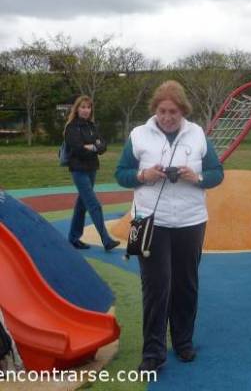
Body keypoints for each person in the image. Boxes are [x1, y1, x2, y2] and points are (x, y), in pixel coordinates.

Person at [115, 80, 223, 372]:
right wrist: (143, 174)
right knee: (154, 287)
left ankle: (183, 341)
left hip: (190, 220)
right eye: (162, 111)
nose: (167, 117)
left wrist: (196, 178)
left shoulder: (197, 134)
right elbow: (120, 174)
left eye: (173, 112)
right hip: (145, 220)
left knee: (186, 284)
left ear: (183, 110)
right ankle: (152, 352)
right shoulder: (138, 135)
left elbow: (216, 173)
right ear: (155, 110)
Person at [64, 96, 120, 251]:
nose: (86, 110)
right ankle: (106, 240)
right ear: (77, 109)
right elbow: (77, 149)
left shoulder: (91, 126)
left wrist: (93, 147)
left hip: (92, 169)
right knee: (94, 205)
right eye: (82, 107)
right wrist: (92, 147)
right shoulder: (71, 128)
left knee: (82, 205)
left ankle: (73, 238)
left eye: (88, 107)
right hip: (79, 171)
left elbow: (103, 145)